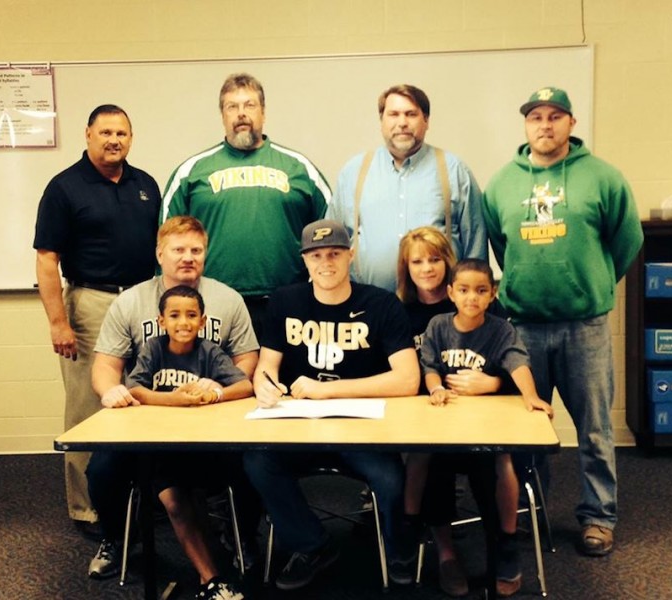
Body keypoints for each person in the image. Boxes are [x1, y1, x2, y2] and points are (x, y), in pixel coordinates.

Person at [482, 87, 643, 557]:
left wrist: (592, 282)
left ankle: (598, 517)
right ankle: (533, 515)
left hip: (585, 327)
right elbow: (500, 244)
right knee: (527, 430)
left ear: (571, 123)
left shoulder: (603, 178)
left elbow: (626, 241)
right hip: (523, 328)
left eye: (555, 116)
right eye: (536, 116)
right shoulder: (501, 184)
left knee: (594, 428)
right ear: (526, 125)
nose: (545, 125)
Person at [243, 218, 421, 592]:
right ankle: (313, 545)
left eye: (335, 254)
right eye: (317, 255)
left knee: (390, 480)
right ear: (305, 260)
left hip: (362, 428)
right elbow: (267, 367)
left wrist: (332, 390)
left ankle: (399, 551)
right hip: (298, 425)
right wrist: (265, 386)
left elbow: (407, 380)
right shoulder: (285, 300)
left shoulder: (381, 304)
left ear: (350, 256)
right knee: (257, 460)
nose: (326, 262)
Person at [86, 215, 260, 580]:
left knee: (256, 462)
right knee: (102, 468)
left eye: (196, 250)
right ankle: (115, 538)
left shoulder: (228, 300)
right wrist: (111, 390)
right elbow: (106, 364)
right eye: (178, 250)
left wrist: (216, 391)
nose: (188, 257)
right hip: (147, 419)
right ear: (159, 253)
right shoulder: (131, 301)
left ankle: (241, 534)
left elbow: (246, 360)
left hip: (213, 420)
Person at [33, 104, 161, 531]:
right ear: (87, 134)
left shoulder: (146, 185)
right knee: (88, 408)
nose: (114, 140)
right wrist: (57, 322)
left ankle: (146, 499)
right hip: (90, 304)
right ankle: (89, 509)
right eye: (105, 132)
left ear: (131, 137)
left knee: (144, 399)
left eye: (121, 133)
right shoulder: (64, 188)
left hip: (143, 301)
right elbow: (47, 260)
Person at [102, 285, 250, 600]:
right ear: (161, 321)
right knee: (175, 503)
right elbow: (137, 390)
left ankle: (215, 573)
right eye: (175, 315)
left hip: (201, 448)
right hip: (160, 451)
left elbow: (245, 385)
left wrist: (215, 394)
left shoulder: (209, 351)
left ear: (203, 320)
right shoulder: (153, 349)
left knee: (201, 494)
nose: (183, 322)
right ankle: (212, 580)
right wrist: (175, 400)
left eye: (191, 315)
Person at [416, 258, 553, 597]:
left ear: (493, 294)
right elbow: (429, 366)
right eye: (463, 290)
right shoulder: (437, 325)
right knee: (433, 467)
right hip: (446, 427)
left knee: (501, 462)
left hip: (488, 429)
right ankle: (446, 553)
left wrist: (530, 395)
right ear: (450, 293)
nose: (471, 298)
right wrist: (435, 388)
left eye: (480, 291)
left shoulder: (501, 329)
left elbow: (517, 363)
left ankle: (505, 541)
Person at [160, 72, 332, 335]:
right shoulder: (192, 171)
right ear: (223, 116)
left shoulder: (299, 168)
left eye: (249, 105)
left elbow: (331, 232)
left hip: (289, 300)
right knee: (217, 376)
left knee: (280, 376)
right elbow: (166, 240)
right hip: (212, 302)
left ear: (263, 112)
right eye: (232, 106)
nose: (241, 113)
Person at [328, 84, 487, 292]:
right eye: (393, 114)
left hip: (438, 308)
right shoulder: (354, 172)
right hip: (369, 306)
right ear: (381, 121)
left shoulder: (453, 170)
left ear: (426, 121)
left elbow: (475, 243)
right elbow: (332, 242)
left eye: (411, 114)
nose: (402, 123)